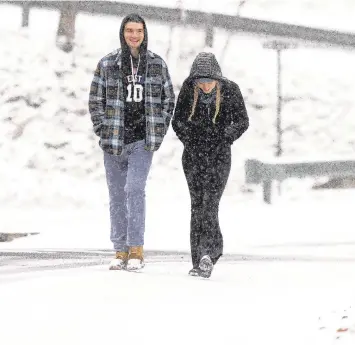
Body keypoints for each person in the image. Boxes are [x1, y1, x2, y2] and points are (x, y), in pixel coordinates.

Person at [88, 14, 175, 271]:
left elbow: (169, 99)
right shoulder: (107, 63)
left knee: (134, 190)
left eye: (138, 30)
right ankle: (120, 249)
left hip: (142, 140)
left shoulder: (156, 64)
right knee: (116, 194)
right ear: (122, 33)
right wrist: (102, 129)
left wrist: (158, 131)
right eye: (129, 30)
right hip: (113, 140)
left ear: (144, 33)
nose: (134, 35)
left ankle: (136, 248)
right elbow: (95, 99)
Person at [172, 52, 249, 278]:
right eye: (201, 82)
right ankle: (199, 260)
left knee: (210, 203)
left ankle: (210, 252)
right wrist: (190, 137)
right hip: (193, 156)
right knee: (197, 205)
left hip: (219, 156)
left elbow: (243, 121)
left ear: (217, 79)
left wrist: (225, 136)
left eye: (209, 82)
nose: (205, 86)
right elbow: (177, 121)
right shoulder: (188, 91)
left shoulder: (231, 91)